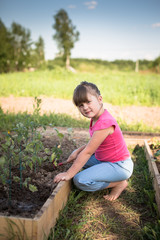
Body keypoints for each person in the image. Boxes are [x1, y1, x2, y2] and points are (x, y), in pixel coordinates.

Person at [54, 81, 134, 201]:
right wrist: (77, 151)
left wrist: (69, 174)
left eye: (88, 102)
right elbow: (93, 143)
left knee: (80, 180)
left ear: (100, 99)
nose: (85, 107)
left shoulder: (105, 123)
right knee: (78, 158)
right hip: (105, 160)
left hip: (119, 166)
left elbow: (88, 152)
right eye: (80, 105)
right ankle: (106, 174)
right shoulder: (96, 118)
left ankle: (119, 183)